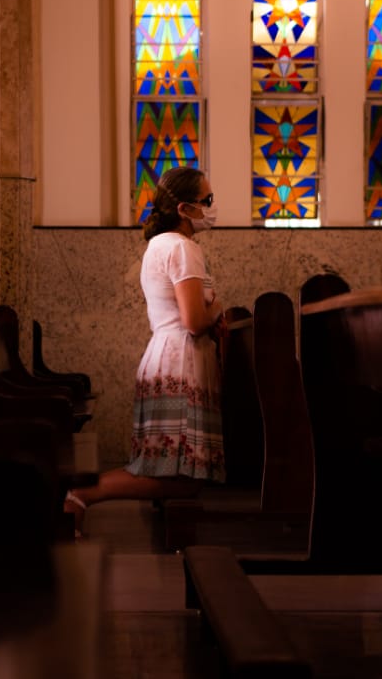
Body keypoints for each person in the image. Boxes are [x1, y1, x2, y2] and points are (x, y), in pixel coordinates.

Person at [63, 166, 226, 535]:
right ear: (185, 208)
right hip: (181, 364)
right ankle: (83, 493)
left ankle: (82, 494)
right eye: (207, 201)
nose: (213, 207)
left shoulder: (159, 244)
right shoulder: (183, 248)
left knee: (174, 469)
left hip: (167, 357)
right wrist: (217, 309)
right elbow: (194, 320)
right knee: (179, 475)